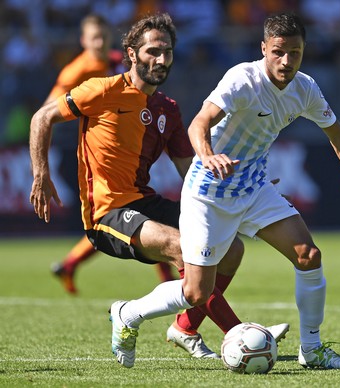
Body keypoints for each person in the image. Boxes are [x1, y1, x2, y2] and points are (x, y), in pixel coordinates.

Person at [101, 12, 340, 370]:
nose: (287, 61)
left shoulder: (305, 88)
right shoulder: (242, 80)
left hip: (253, 187)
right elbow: (200, 123)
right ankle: (129, 312)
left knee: (308, 255)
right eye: (278, 51)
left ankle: (312, 350)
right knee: (196, 292)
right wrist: (208, 155)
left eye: (295, 52)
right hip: (207, 191)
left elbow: (338, 134)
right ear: (264, 48)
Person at [29, 12, 288, 368]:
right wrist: (41, 175)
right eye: (152, 51)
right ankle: (241, 333)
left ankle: (185, 328)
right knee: (183, 249)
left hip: (143, 201)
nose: (161, 59)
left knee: (231, 250)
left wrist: (243, 189)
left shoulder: (167, 108)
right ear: (132, 54)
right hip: (107, 213)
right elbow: (41, 117)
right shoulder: (101, 90)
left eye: (167, 52)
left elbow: (192, 172)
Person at [43, 14, 176, 295]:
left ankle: (69, 264)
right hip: (78, 147)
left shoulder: (115, 60)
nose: (100, 43)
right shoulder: (76, 73)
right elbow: (46, 111)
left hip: (123, 142)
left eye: (103, 37)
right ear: (83, 41)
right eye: (94, 38)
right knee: (111, 212)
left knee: (135, 213)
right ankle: (165, 282)